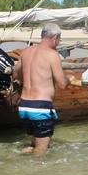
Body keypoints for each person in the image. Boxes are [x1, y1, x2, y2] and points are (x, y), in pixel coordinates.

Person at [11, 23, 67, 156]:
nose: (58, 43)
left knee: (34, 145)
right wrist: (69, 78)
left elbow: (15, 74)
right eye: (59, 40)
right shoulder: (52, 55)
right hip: (40, 107)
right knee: (42, 151)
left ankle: (14, 157)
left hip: (24, 105)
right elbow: (62, 84)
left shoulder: (26, 52)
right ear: (55, 38)